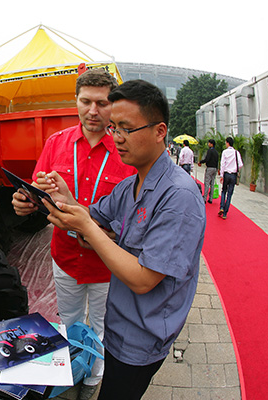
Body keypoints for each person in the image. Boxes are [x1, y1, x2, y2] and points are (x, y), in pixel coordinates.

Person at [39, 80, 206, 399]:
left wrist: (86, 227)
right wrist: (66, 198)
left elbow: (144, 279)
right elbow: (92, 215)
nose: (116, 138)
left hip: (141, 336)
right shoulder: (132, 184)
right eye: (113, 128)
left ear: (160, 131)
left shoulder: (179, 197)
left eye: (126, 128)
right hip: (120, 322)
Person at [11, 68, 135, 399]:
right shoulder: (56, 144)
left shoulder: (126, 153)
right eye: (85, 102)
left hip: (107, 266)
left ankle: (93, 380)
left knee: (101, 327)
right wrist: (24, 203)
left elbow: (133, 218)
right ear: (75, 101)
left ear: (113, 105)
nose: (93, 111)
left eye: (102, 102)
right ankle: (69, 373)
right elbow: (38, 193)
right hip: (64, 258)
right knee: (66, 322)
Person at [218, 136, 243, 220]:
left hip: (226, 174)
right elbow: (241, 164)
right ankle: (225, 213)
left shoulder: (224, 152)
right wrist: (235, 168)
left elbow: (222, 164)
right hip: (233, 175)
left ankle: (221, 206)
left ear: (228, 143)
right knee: (229, 194)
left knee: (223, 191)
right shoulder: (236, 153)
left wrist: (221, 175)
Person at [198, 139, 219, 203]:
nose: (208, 144)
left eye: (209, 143)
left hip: (209, 168)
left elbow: (207, 159)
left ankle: (204, 198)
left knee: (207, 183)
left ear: (211, 144)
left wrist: (201, 162)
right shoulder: (216, 152)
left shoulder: (210, 151)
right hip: (215, 168)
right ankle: (210, 199)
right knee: (212, 183)